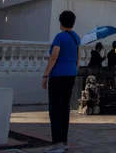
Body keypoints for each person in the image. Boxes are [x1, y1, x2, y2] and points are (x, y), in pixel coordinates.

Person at [42, 10, 80, 153]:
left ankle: (57, 143)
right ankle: (63, 141)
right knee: (65, 109)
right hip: (70, 75)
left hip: (58, 76)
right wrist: (74, 71)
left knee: (55, 109)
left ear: (61, 23)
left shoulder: (59, 37)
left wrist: (45, 75)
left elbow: (54, 57)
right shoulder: (76, 37)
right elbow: (78, 57)